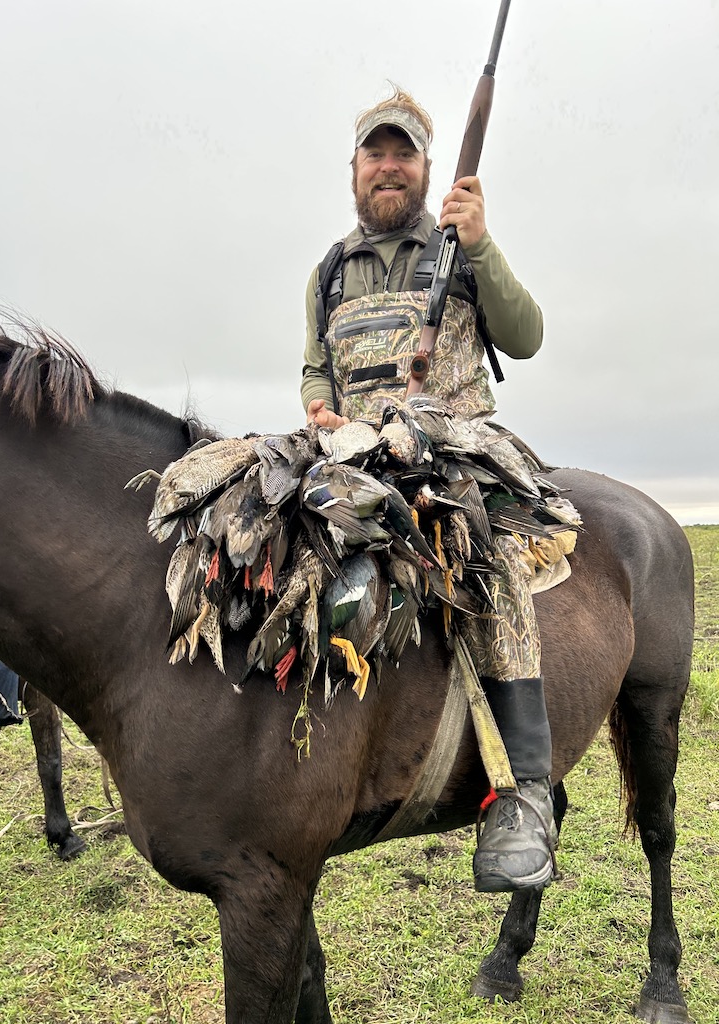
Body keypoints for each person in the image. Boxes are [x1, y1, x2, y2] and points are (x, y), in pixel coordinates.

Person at [300, 86, 557, 893]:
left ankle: (524, 795)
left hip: (454, 452)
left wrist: (482, 247)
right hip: (355, 458)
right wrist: (316, 404)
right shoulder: (330, 271)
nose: (388, 167)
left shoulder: (458, 245)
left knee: (492, 560)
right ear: (353, 171)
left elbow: (527, 335)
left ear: (426, 168)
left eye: (402, 154)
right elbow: (315, 364)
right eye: (375, 153)